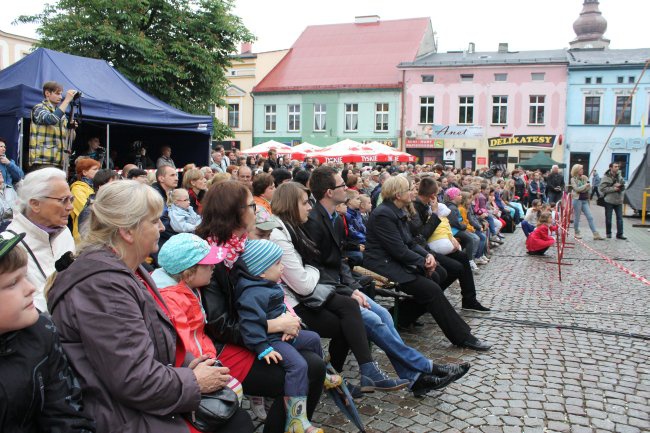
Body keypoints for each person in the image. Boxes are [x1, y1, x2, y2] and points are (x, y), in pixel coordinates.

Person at [46, 180, 253, 433]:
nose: (162, 227)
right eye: (154, 221)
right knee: (237, 423)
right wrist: (193, 380)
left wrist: (190, 363)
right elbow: (133, 379)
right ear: (127, 231)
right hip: (121, 415)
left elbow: (151, 345)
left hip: (136, 401)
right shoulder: (105, 286)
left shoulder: (124, 270)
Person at [272, 181, 467, 398]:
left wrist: (351, 287)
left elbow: (338, 262)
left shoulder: (326, 219)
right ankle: (423, 369)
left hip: (332, 286)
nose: (346, 189)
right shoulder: (309, 223)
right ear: (329, 190)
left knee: (383, 312)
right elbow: (312, 273)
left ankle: (415, 376)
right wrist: (348, 290)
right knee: (372, 317)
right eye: (342, 184)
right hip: (322, 292)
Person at [196, 181, 326, 433]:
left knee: (313, 361)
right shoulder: (211, 254)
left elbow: (267, 293)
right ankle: (292, 424)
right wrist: (274, 324)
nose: (256, 211)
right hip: (224, 346)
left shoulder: (239, 245)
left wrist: (287, 318)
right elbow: (218, 324)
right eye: (252, 206)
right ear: (234, 212)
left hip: (252, 332)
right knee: (307, 369)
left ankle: (295, 424)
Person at [364, 175, 491, 351]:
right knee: (431, 289)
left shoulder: (395, 211)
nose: (412, 192)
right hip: (383, 264)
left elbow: (409, 242)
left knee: (437, 278)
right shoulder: (383, 214)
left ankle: (399, 318)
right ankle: (462, 336)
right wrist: (424, 260)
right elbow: (399, 250)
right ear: (397, 194)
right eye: (409, 189)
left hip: (394, 260)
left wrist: (427, 256)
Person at [237, 239, 340, 433]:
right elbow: (250, 324)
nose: (282, 267)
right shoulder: (253, 292)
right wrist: (262, 347)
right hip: (270, 341)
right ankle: (296, 419)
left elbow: (279, 307)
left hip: (281, 333)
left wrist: (290, 321)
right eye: (277, 263)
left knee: (313, 338)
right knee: (298, 365)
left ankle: (324, 374)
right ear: (261, 271)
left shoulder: (267, 284)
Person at [0, 232, 95, 433]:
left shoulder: (41, 332)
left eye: (24, 276)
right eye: (12, 283)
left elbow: (66, 415)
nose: (31, 288)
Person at [1, 168, 75, 312]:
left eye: (71, 199)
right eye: (63, 200)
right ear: (35, 204)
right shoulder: (10, 244)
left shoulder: (63, 232)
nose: (70, 207)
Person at [28, 81, 77, 170]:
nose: (60, 97)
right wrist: (67, 100)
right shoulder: (39, 108)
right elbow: (50, 119)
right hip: (43, 161)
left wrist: (72, 128)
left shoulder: (61, 114)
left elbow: (70, 138)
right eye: (57, 94)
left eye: (61, 94)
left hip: (60, 161)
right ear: (47, 93)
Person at [570, 164, 604, 240]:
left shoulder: (585, 177)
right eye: (580, 169)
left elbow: (587, 189)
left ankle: (595, 233)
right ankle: (577, 232)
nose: (582, 170)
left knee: (590, 217)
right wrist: (585, 186)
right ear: (576, 170)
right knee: (577, 217)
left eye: (582, 169)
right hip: (577, 200)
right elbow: (576, 189)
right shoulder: (573, 179)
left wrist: (584, 187)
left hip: (584, 199)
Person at [70, 158, 101, 241]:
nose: (98, 172)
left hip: (94, 233)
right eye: (95, 169)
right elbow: (85, 210)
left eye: (98, 169)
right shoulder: (77, 189)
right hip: (82, 235)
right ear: (84, 172)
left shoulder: (94, 187)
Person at [599, 162, 627, 240]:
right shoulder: (606, 177)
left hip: (619, 200)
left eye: (618, 166)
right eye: (615, 166)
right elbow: (602, 189)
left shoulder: (619, 176)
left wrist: (621, 186)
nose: (617, 168)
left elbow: (623, 186)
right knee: (608, 218)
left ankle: (620, 234)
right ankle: (608, 233)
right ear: (611, 168)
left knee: (620, 218)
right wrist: (613, 188)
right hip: (609, 200)